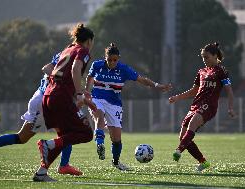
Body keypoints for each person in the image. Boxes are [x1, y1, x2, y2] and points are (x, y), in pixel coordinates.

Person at [0, 52, 82, 176]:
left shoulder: (67, 54)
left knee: (22, 138)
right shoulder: (70, 55)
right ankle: (62, 166)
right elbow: (47, 68)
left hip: (42, 98)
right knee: (67, 132)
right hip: (44, 101)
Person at [85, 43, 172, 171]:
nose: (112, 62)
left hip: (114, 104)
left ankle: (116, 162)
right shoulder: (97, 65)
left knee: (117, 139)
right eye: (109, 60)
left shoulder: (124, 69)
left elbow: (141, 79)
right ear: (105, 58)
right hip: (97, 98)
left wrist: (157, 85)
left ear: (118, 59)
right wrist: (87, 93)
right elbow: (89, 77)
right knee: (99, 116)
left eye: (115, 60)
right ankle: (100, 144)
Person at [33, 23, 96, 182]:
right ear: (88, 41)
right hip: (60, 97)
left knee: (63, 138)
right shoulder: (83, 51)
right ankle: (48, 146)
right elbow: (75, 69)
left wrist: (77, 92)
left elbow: (56, 71)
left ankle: (42, 172)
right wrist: (80, 94)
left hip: (49, 96)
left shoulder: (67, 49)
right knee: (87, 133)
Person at [169, 42, 236, 172]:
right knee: (183, 136)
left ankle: (179, 150)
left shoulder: (221, 71)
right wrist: (177, 97)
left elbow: (229, 91)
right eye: (202, 57)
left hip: (209, 106)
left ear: (215, 56)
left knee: (192, 124)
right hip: (196, 105)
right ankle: (203, 162)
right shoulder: (201, 71)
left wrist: (231, 108)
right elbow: (193, 91)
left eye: (207, 57)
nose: (204, 60)